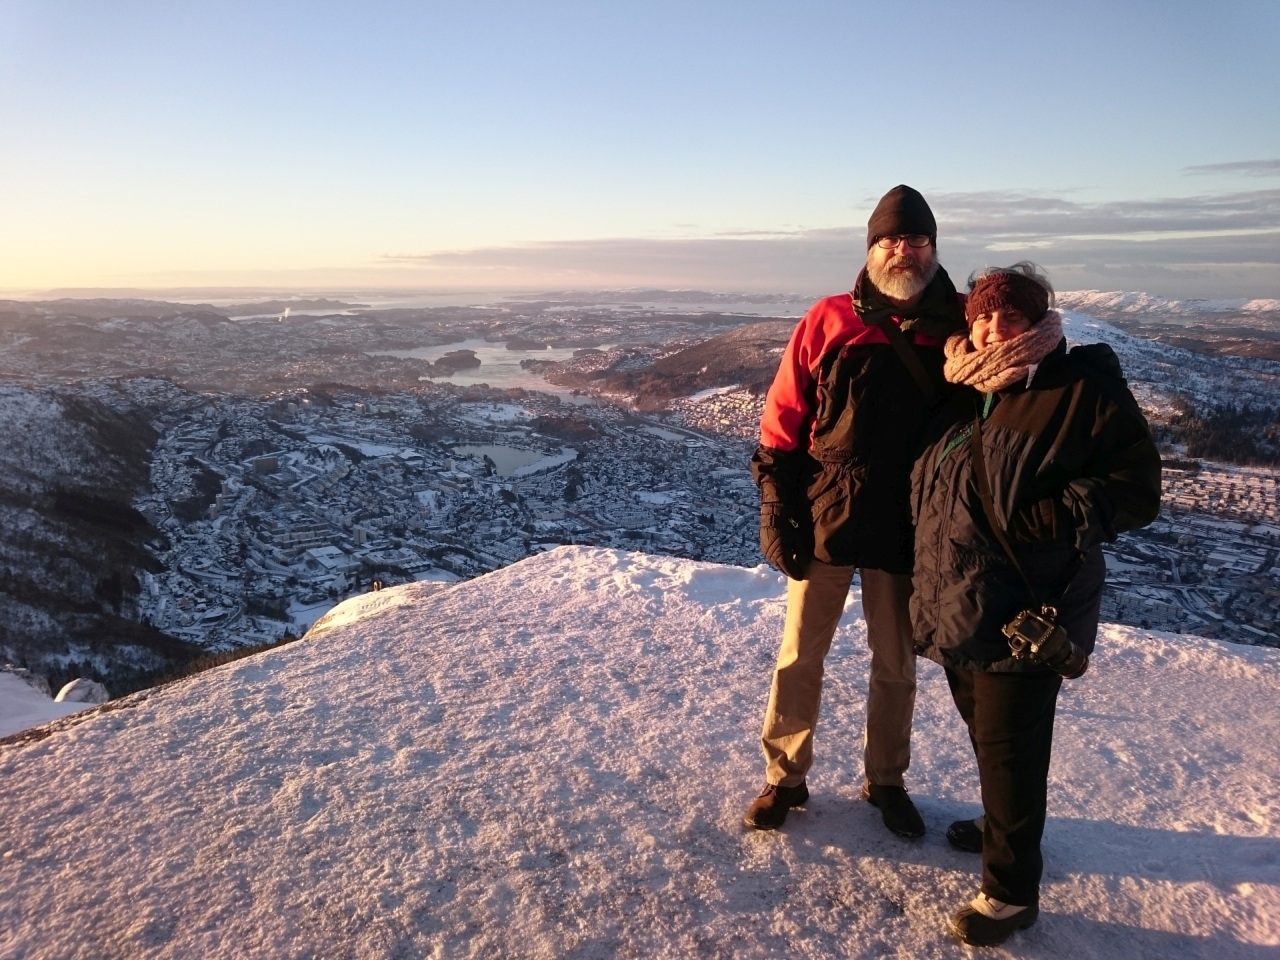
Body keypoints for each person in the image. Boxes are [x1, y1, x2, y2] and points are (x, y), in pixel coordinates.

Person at [910, 263, 1161, 946]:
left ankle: (1012, 890)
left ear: (1038, 321)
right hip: (961, 600)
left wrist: (1055, 517)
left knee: (1012, 746)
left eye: (1012, 315)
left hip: (1029, 605)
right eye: (986, 314)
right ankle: (1001, 824)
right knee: (987, 736)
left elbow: (1137, 489)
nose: (995, 326)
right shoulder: (967, 388)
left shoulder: (1078, 387)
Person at [743, 185, 967, 835]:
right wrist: (777, 509)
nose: (902, 251)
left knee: (896, 662)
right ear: (871, 250)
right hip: (828, 516)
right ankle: (784, 777)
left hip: (911, 523)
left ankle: (886, 780)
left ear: (932, 248)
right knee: (798, 656)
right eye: (889, 241)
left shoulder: (958, 322)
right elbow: (783, 419)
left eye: (914, 240)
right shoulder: (829, 318)